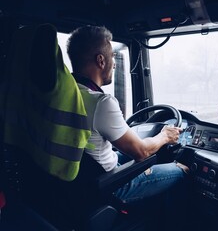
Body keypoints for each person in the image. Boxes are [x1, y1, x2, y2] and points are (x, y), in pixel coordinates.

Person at [66, 25, 190, 219]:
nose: (114, 64)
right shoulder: (100, 102)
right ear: (101, 60)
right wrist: (165, 136)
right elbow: (142, 152)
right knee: (180, 170)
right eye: (112, 57)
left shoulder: (67, 94)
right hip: (109, 184)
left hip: (81, 178)